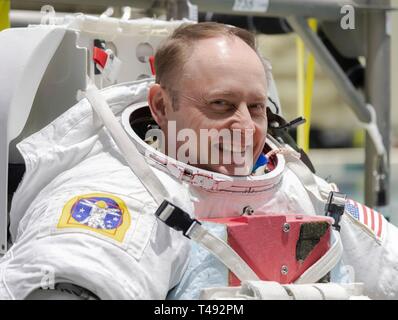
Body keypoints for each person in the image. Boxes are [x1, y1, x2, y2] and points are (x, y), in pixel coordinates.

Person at [0, 22, 397, 300]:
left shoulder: (296, 187)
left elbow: (388, 264)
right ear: (160, 105)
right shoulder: (119, 192)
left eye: (256, 107)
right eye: (221, 104)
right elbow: (82, 269)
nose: (244, 126)